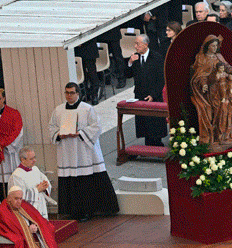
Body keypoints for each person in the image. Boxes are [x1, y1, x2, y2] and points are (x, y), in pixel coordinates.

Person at [49, 83, 119, 222]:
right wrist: (59, 135)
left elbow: (97, 127)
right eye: (67, 92)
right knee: (70, 179)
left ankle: (88, 211)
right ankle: (70, 211)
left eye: (72, 93)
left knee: (85, 180)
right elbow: (52, 127)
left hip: (83, 150)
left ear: (78, 94)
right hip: (67, 151)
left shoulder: (87, 109)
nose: (69, 95)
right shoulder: (58, 110)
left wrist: (80, 133)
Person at [128, 34, 166, 146]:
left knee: (154, 121)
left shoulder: (156, 57)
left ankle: (157, 143)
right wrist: (130, 62)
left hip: (154, 94)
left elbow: (161, 79)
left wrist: (153, 95)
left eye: (138, 44)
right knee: (143, 121)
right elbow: (128, 74)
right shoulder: (135, 57)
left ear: (145, 44)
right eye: (135, 44)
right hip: (140, 93)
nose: (135, 46)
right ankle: (147, 144)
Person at [10, 147, 52, 219]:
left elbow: (46, 181)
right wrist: (37, 190)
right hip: (28, 212)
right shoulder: (16, 175)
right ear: (22, 159)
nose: (34, 160)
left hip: (41, 206)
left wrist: (45, 186)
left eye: (34, 157)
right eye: (31, 159)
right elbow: (19, 197)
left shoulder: (35, 169)